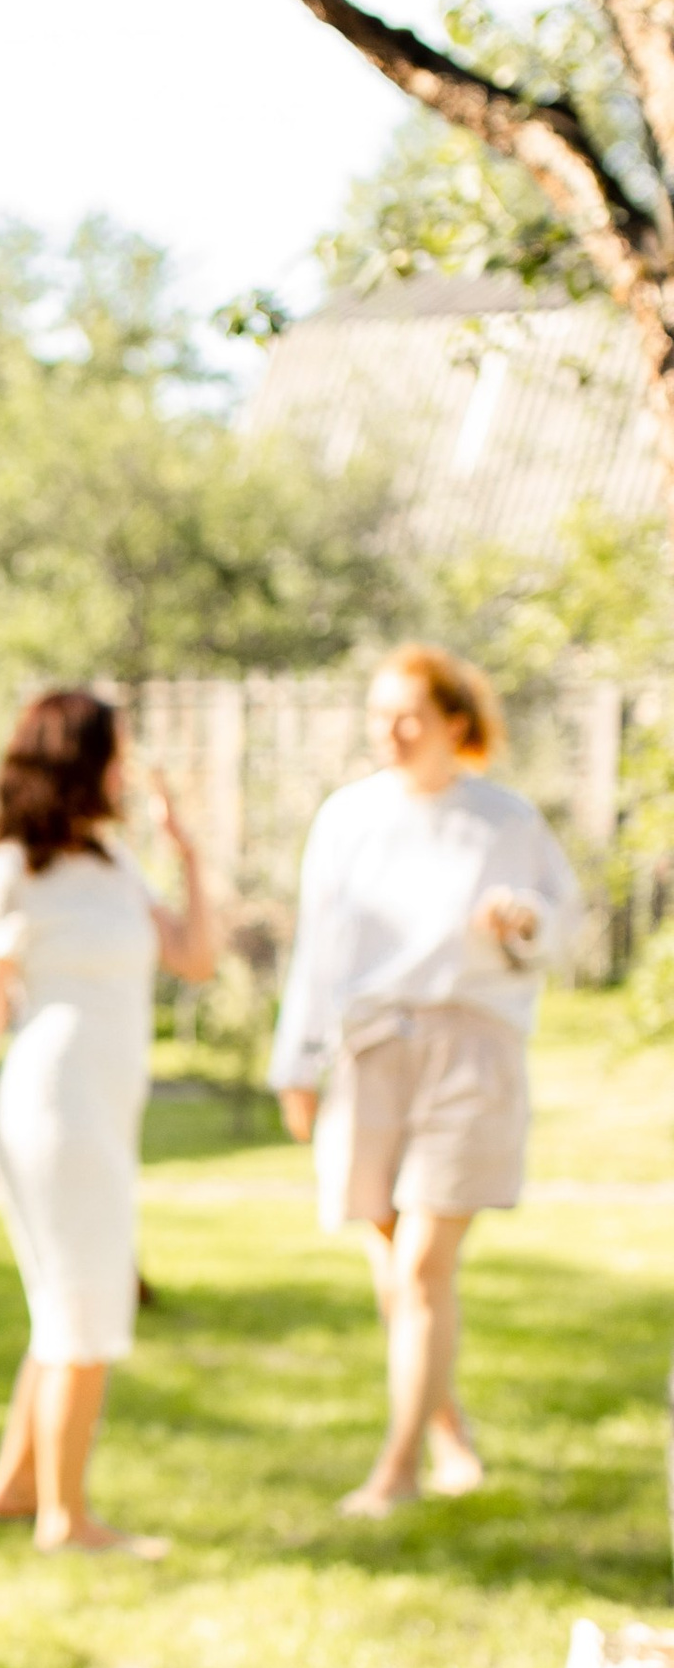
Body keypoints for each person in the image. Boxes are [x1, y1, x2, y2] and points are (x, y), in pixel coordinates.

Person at [0, 688, 216, 1553]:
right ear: (81, 762)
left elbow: (197, 957)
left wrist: (188, 856)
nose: (124, 769)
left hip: (102, 1113)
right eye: (114, 754)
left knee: (64, 1305)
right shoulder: (8, 871)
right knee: (86, 1309)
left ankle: (14, 1486)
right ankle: (67, 1521)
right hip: (54, 1110)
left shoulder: (112, 864)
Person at [270, 643, 576, 1517]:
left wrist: (523, 921)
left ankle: (396, 1471)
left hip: (470, 1049)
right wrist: (295, 1063)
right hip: (369, 1052)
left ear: (455, 722)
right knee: (390, 1266)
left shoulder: (505, 819)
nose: (390, 733)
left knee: (422, 1269)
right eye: (378, 716)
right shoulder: (347, 817)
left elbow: (563, 926)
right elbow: (317, 950)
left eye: (407, 715)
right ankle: (449, 1434)